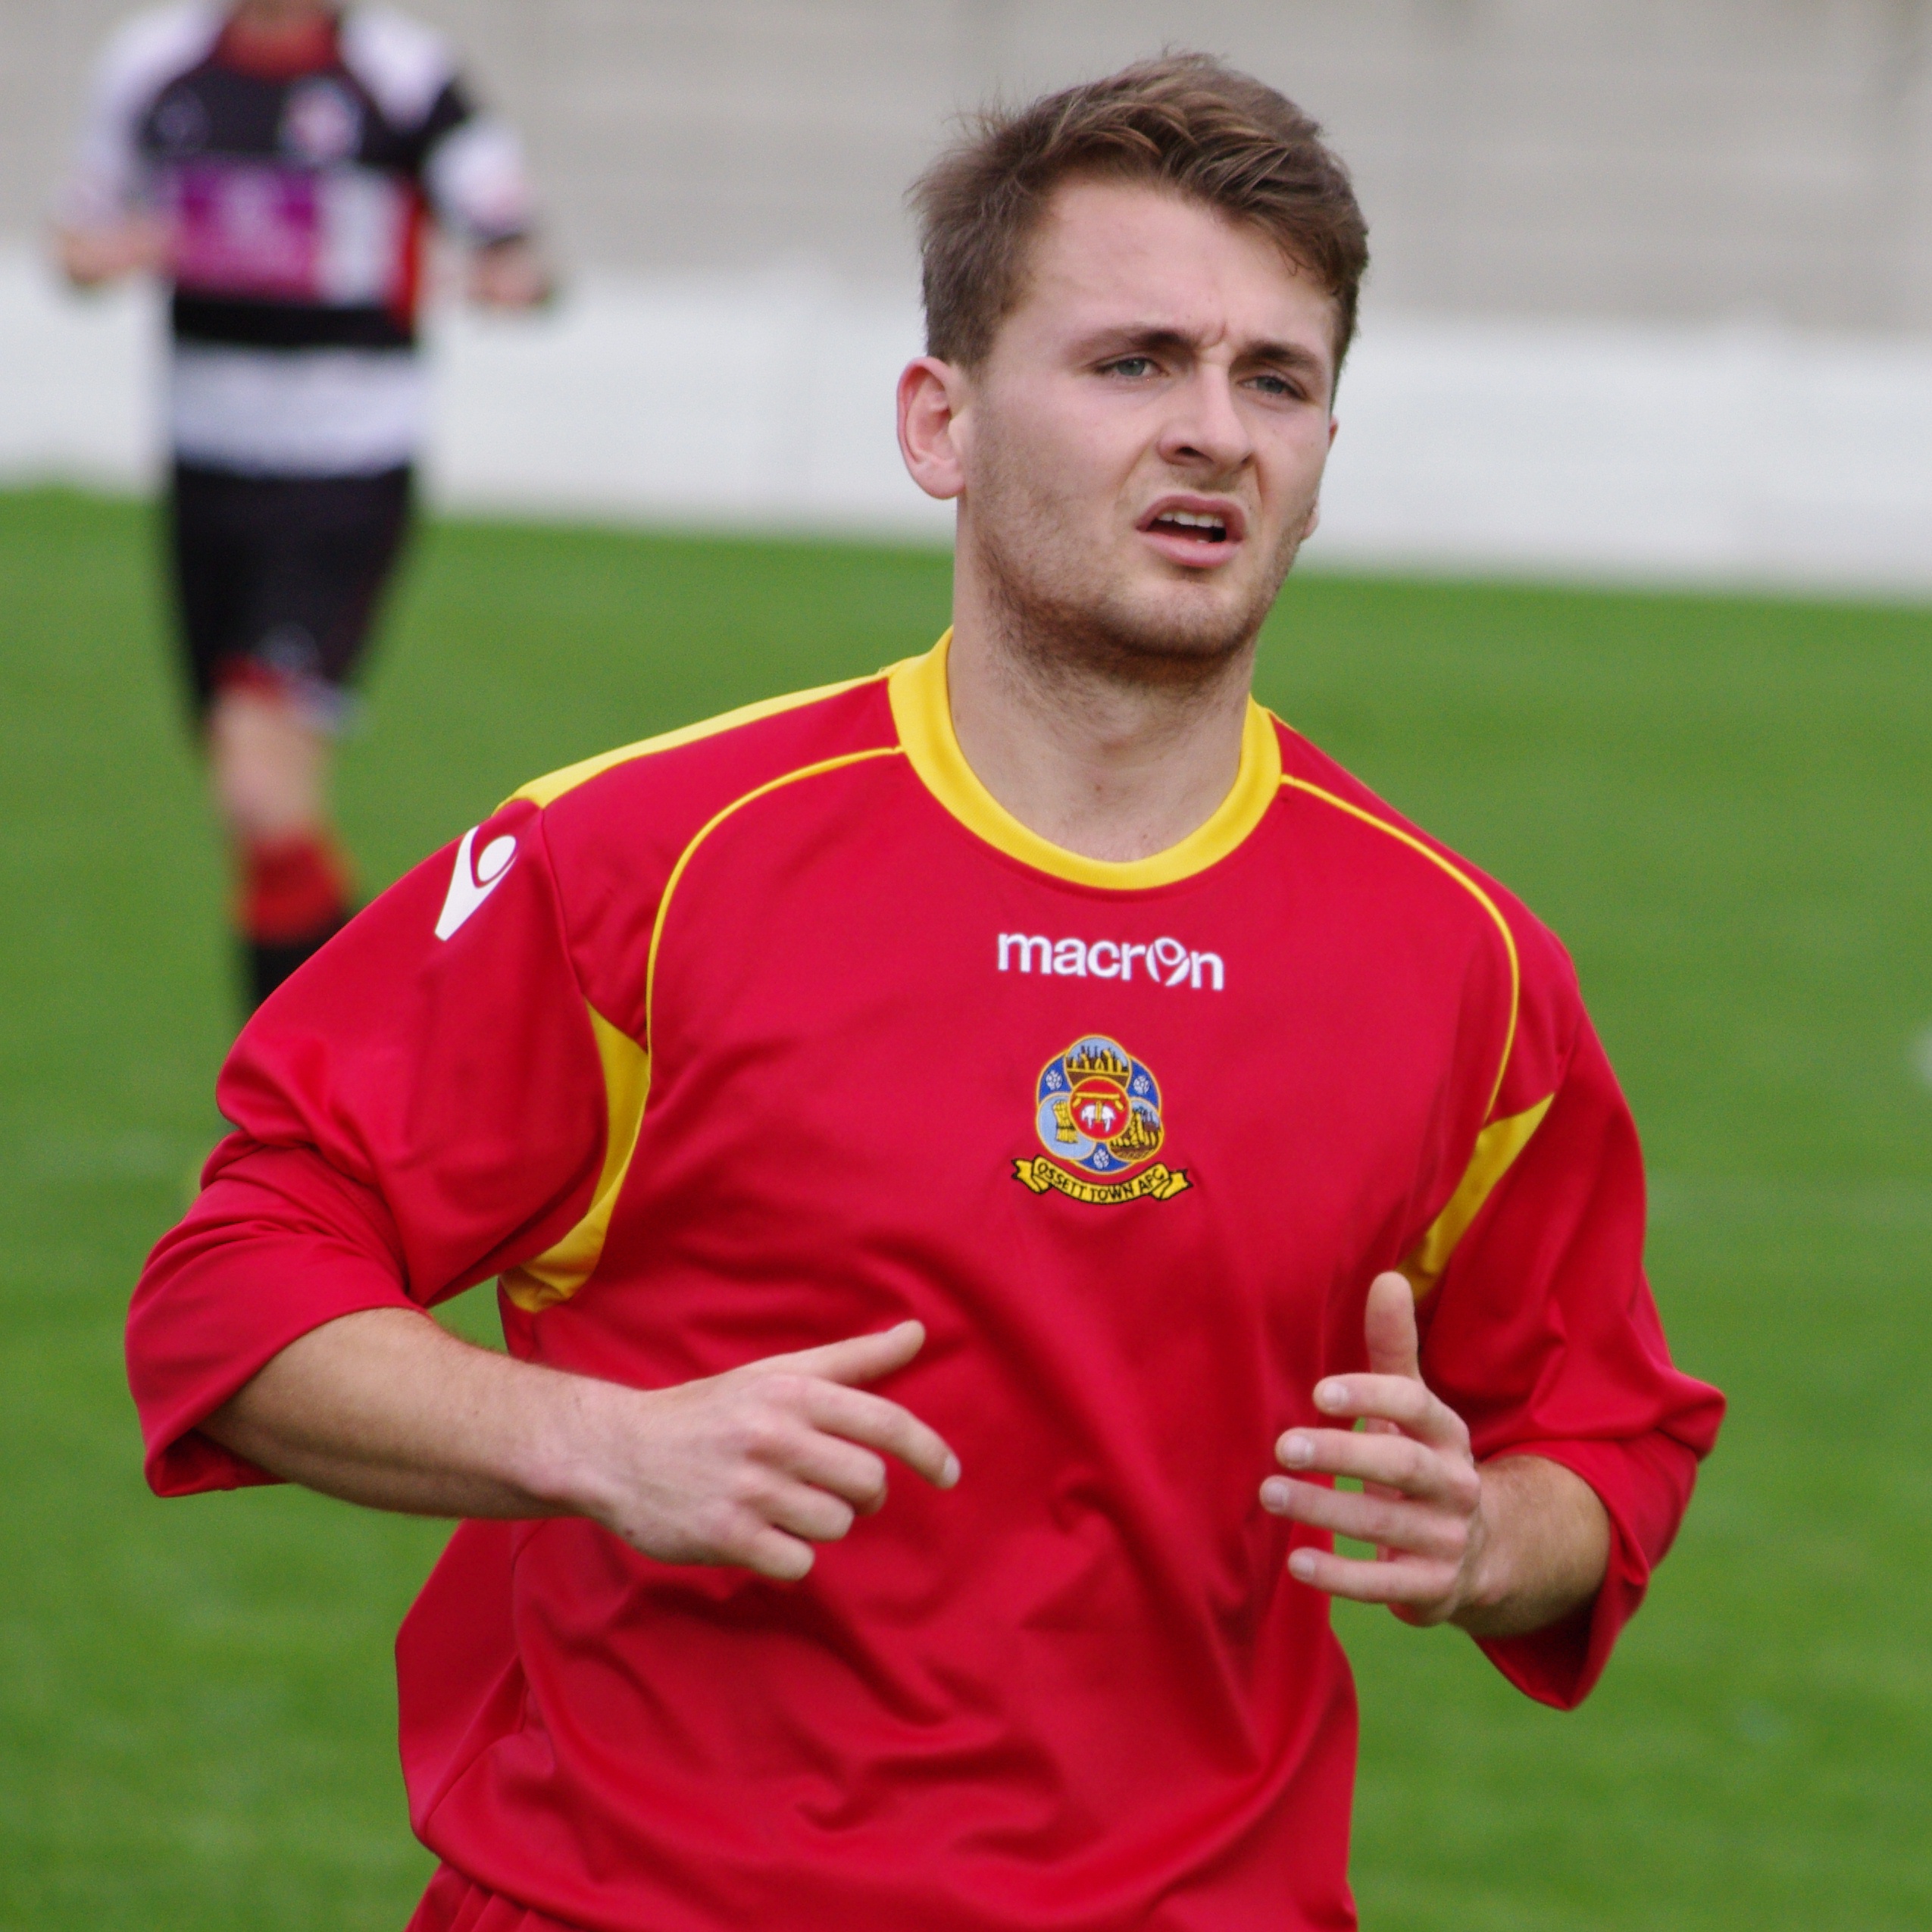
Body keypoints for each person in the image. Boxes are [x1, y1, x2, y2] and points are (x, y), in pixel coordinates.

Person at [126, 53, 1725, 1932]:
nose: (1213, 429)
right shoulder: (642, 865)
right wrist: (599, 1445)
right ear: (938, 422)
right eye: (1134, 362)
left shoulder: (1464, 962)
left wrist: (1486, 1536)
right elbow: (235, 1286)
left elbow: (1605, 1446)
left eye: (1273, 377)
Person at [57, 0, 549, 1008]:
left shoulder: (402, 75)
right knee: (256, 811)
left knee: (259, 785)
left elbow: (514, 241)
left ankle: (296, 1113)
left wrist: (508, 271)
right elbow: (82, 231)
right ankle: (379, 1046)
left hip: (343, 473)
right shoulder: (155, 64)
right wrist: (106, 252)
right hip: (204, 474)